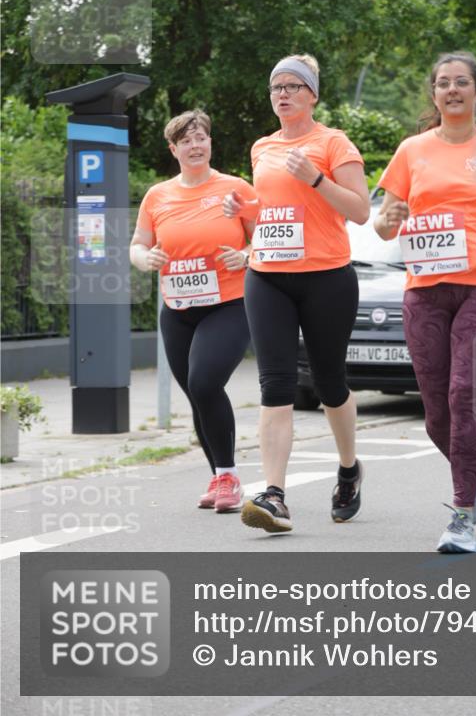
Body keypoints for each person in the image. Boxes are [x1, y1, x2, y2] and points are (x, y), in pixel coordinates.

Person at [374, 52, 476, 553]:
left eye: (461, 82)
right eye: (443, 83)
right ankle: (471, 475)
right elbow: (382, 225)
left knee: (465, 394)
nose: (452, 90)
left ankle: (461, 512)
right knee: (436, 414)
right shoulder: (412, 151)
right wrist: (390, 217)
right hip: (425, 291)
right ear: (434, 94)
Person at [224, 54, 370, 534]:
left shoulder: (334, 143)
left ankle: (348, 468)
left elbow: (361, 211)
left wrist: (317, 178)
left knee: (329, 383)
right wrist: (243, 208)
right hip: (266, 275)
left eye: (292, 86)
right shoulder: (261, 147)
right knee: (276, 384)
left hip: (327, 277)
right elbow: (269, 208)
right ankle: (274, 495)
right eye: (275, 88)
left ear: (312, 94)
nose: (282, 94)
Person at [130, 109, 257, 513]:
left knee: (204, 383)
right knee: (197, 394)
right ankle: (221, 475)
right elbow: (137, 244)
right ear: (174, 149)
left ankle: (230, 478)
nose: (195, 145)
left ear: (210, 144)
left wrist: (246, 255)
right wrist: (143, 258)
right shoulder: (158, 195)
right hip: (178, 309)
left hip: (229, 304)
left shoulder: (236, 189)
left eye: (201, 137)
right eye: (186, 140)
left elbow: (265, 239)